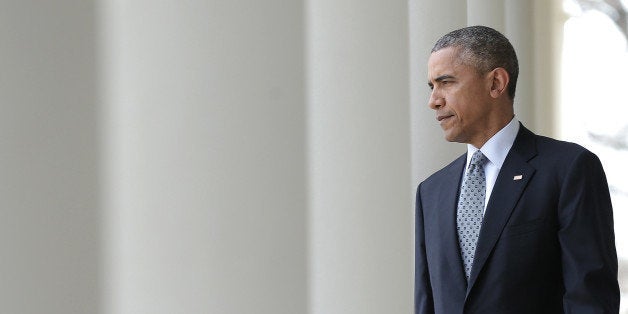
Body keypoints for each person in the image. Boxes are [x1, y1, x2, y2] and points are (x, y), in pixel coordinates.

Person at [415, 25, 620, 313]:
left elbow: (590, 299)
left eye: (446, 82)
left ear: (496, 83)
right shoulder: (431, 192)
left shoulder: (568, 169)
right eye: (431, 86)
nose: (433, 101)